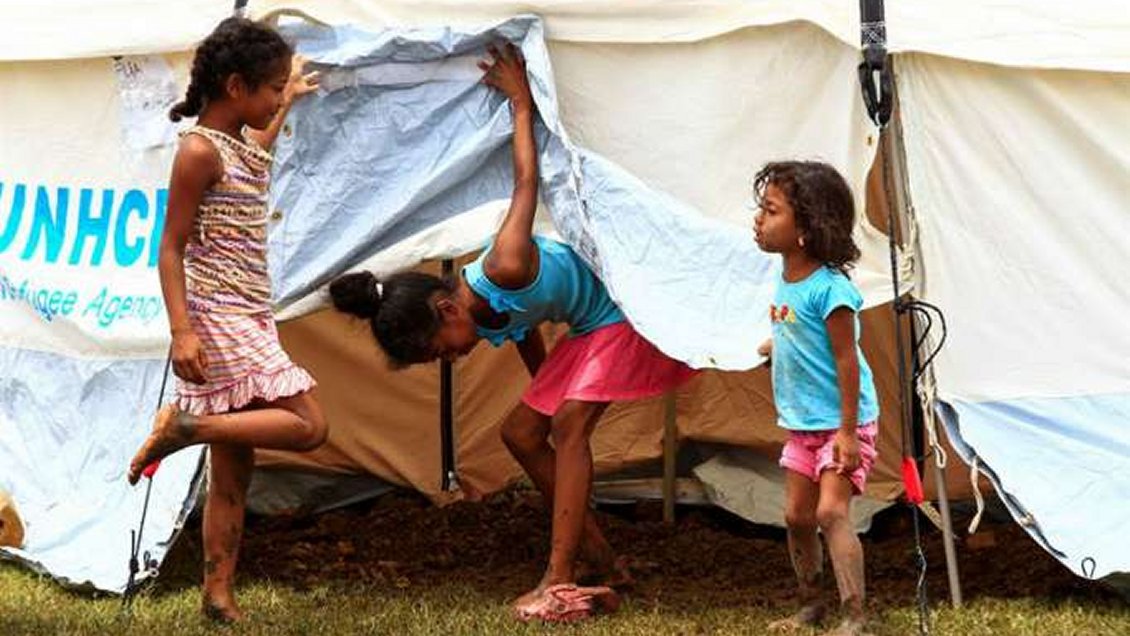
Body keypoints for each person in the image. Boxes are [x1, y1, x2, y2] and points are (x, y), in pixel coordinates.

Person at [329, 43, 696, 623]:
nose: (449, 361)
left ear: (447, 310)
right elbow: (524, 330)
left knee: (572, 425)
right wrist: (543, 391)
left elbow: (527, 182)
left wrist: (521, 105)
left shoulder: (504, 265)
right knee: (521, 433)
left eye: (438, 354)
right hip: (585, 329)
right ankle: (601, 555)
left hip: (622, 313)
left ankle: (559, 576)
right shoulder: (486, 317)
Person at [126, 17, 326, 623]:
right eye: (268, 89)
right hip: (216, 319)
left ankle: (217, 594)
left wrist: (285, 104)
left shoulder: (235, 146)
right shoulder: (196, 152)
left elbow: (255, 158)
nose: (272, 98)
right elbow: (170, 246)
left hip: (248, 313)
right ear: (236, 86)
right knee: (309, 424)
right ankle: (188, 426)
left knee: (236, 466)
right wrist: (182, 330)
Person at [753, 161, 879, 636]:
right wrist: (777, 346)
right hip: (803, 424)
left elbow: (848, 362)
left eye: (770, 211)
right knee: (796, 515)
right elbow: (801, 334)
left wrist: (847, 433)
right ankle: (811, 604)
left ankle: (856, 615)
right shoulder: (786, 279)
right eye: (761, 210)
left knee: (830, 512)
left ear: (805, 228)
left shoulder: (833, 291)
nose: (759, 219)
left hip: (845, 423)